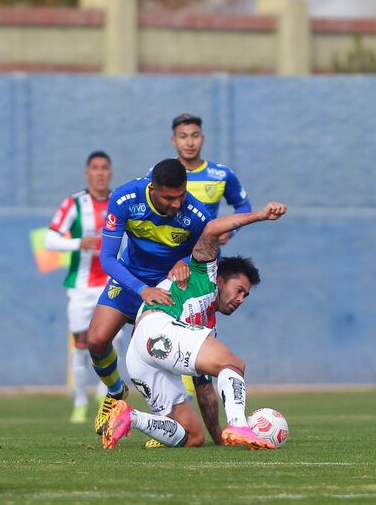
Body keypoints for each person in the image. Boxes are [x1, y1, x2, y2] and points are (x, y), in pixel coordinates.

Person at [101, 202, 288, 450]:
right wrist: (261, 216)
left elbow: (205, 392)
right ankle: (239, 423)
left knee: (192, 437)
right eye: (239, 290)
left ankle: (130, 416)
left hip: (139, 357)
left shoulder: (207, 325)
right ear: (220, 279)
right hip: (156, 327)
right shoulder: (205, 273)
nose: (241, 299)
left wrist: (220, 438)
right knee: (233, 364)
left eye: (245, 296)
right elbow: (211, 229)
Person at [87, 158, 213, 437]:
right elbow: (107, 258)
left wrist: (185, 261)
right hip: (132, 280)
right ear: (152, 188)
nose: (177, 204)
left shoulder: (197, 215)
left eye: (181, 195)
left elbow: (207, 258)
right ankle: (116, 392)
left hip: (167, 289)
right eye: (169, 198)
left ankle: (166, 420)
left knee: (154, 355)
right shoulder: (125, 198)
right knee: (95, 340)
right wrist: (141, 289)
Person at [166, 113, 253, 427]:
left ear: (202, 138)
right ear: (173, 140)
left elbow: (242, 207)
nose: (189, 142)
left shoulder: (221, 174)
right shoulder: (164, 174)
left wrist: (232, 232)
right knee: (169, 338)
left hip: (204, 269)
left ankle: (196, 425)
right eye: (183, 136)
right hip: (172, 266)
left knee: (197, 342)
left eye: (195, 135)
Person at [44, 150, 123, 424]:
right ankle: (79, 401)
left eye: (105, 167)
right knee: (80, 346)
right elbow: (49, 240)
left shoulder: (120, 201)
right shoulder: (74, 203)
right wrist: (78, 242)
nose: (100, 172)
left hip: (113, 285)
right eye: (95, 168)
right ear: (87, 173)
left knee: (114, 340)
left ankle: (105, 394)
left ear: (110, 172)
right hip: (80, 287)